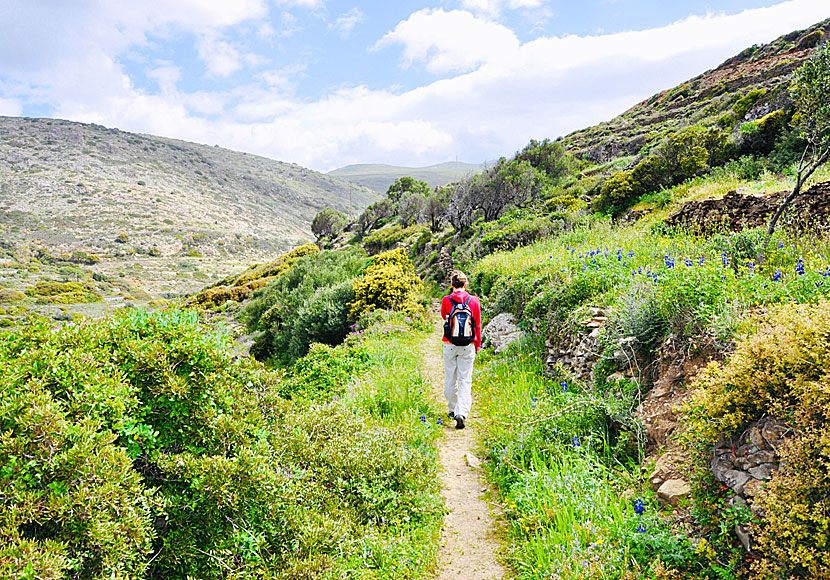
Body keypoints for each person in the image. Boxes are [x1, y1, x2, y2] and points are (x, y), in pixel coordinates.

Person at [441, 270, 481, 430]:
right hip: (468, 345)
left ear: (452, 285)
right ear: (465, 285)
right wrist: (477, 344)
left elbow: (445, 317)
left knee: (451, 377)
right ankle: (461, 412)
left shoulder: (446, 300)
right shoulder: (474, 300)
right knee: (465, 380)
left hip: (449, 343)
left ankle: (452, 410)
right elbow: (477, 324)